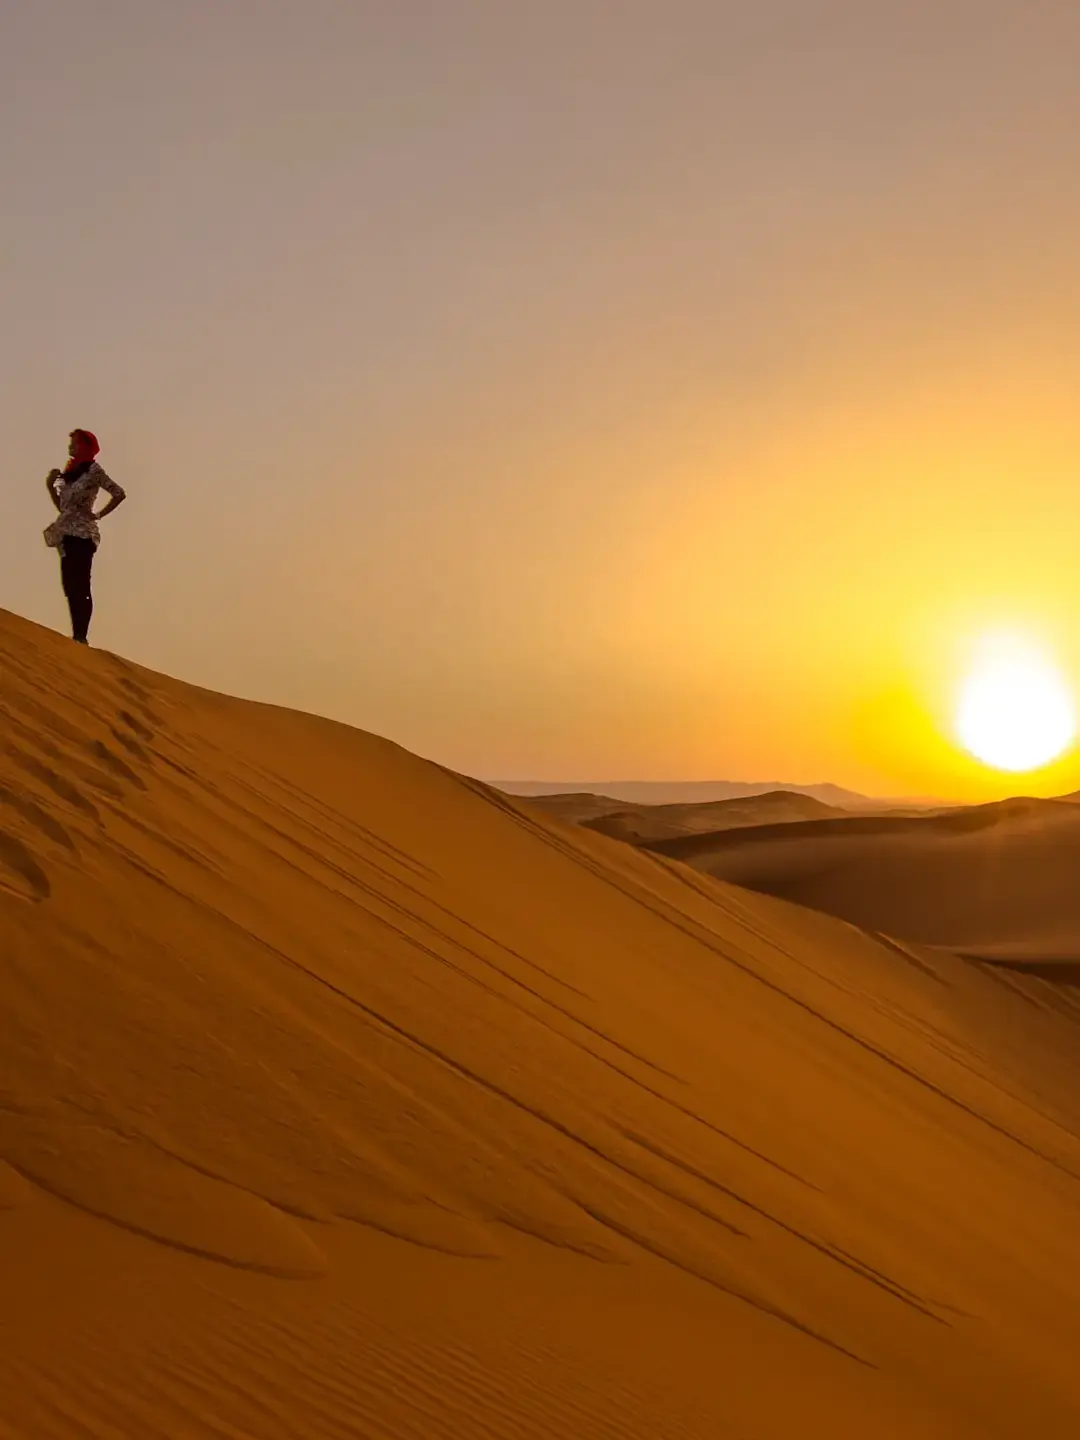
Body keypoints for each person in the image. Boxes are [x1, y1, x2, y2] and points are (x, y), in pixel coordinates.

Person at [43, 430, 127, 645]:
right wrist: (50, 485)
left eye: (75, 444)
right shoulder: (69, 474)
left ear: (85, 447)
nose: (71, 447)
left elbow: (118, 493)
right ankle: (76, 635)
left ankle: (81, 636)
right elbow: (63, 507)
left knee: (81, 585)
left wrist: (99, 514)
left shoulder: (93, 470)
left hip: (83, 535)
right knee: (69, 585)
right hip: (66, 533)